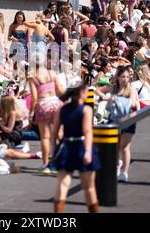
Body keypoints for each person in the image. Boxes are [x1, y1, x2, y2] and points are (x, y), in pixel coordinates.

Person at [51, 83, 99, 213]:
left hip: (66, 146)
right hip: (81, 145)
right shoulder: (86, 110)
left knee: (63, 184)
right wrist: (88, 151)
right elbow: (87, 131)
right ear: (81, 93)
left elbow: (54, 132)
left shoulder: (62, 109)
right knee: (88, 187)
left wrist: (53, 149)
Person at [28, 53, 64, 173]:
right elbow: (60, 92)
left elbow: (34, 98)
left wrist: (31, 113)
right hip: (55, 104)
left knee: (45, 137)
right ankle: (58, 162)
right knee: (58, 135)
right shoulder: (52, 74)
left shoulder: (33, 77)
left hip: (43, 105)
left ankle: (46, 164)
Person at [108, 66, 140, 183]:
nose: (125, 79)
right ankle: (117, 164)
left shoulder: (131, 90)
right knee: (115, 146)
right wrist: (102, 98)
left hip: (129, 119)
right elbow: (99, 90)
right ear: (118, 77)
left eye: (127, 77)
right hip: (115, 119)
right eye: (123, 77)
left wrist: (114, 100)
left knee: (124, 146)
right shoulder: (114, 89)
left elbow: (131, 103)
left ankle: (124, 172)